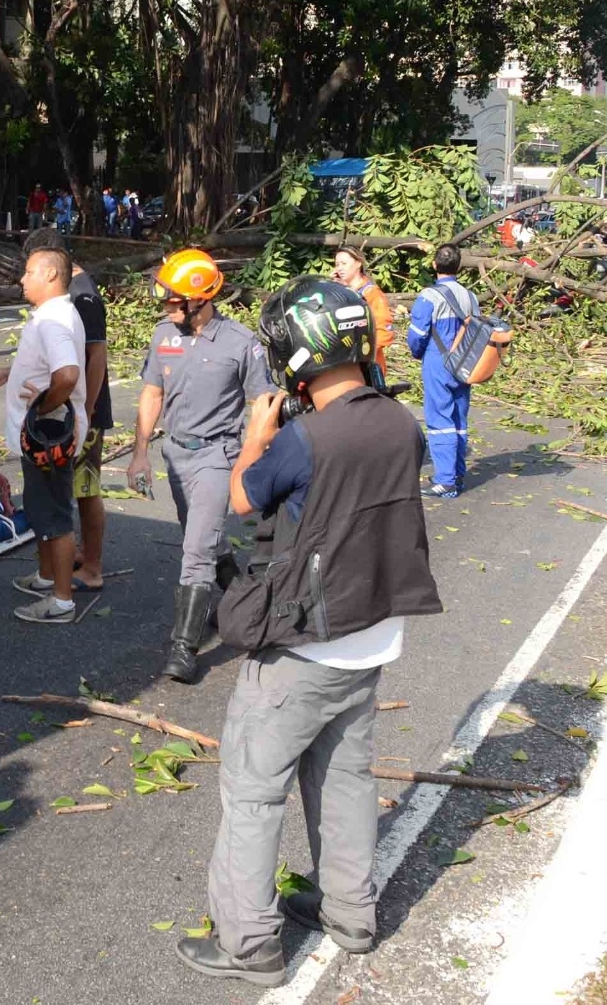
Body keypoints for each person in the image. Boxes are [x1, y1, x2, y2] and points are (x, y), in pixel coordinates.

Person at [174, 277, 442, 988]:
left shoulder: (303, 439)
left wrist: (254, 439)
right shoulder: (401, 422)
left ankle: (248, 941)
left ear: (296, 352)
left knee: (254, 789)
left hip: (303, 643)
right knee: (346, 776)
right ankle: (352, 913)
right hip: (373, 633)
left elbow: (240, 497)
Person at [126, 248, 273, 681]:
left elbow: (261, 404)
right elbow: (152, 394)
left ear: (201, 300)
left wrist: (250, 462)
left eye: (174, 301)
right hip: (176, 453)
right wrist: (139, 453)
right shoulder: (163, 337)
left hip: (217, 455)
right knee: (205, 538)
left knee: (194, 551)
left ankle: (183, 649)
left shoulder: (240, 343)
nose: (168, 308)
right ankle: (245, 600)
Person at [0, 245, 87, 624]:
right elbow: (43, 364)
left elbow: (66, 375)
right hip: (40, 435)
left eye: (29, 272)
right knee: (41, 507)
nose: (22, 279)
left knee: (53, 514)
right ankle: (46, 576)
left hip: (48, 436)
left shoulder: (52, 321)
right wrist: (9, 374)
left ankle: (62, 600)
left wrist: (43, 407)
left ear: (51, 275)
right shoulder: (52, 315)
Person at [14, 229, 113, 594]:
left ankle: (92, 565)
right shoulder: (64, 296)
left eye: (31, 266)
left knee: (83, 490)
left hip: (80, 409)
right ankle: (54, 565)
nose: (25, 277)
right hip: (67, 407)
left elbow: (96, 355)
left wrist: (83, 415)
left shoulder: (82, 294)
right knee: (56, 493)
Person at [407, 243, 479, 497]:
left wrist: (417, 354)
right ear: (458, 267)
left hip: (438, 361)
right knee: (459, 419)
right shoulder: (470, 297)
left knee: (439, 420)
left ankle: (445, 481)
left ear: (434, 265)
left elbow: (416, 336)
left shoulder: (428, 296)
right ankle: (457, 474)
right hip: (465, 363)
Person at [330, 245, 395, 383]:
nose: (339, 268)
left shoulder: (372, 294)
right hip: (343, 367)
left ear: (358, 263)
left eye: (344, 263)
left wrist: (361, 353)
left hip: (368, 367)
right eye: (337, 264)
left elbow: (384, 332)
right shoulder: (339, 293)